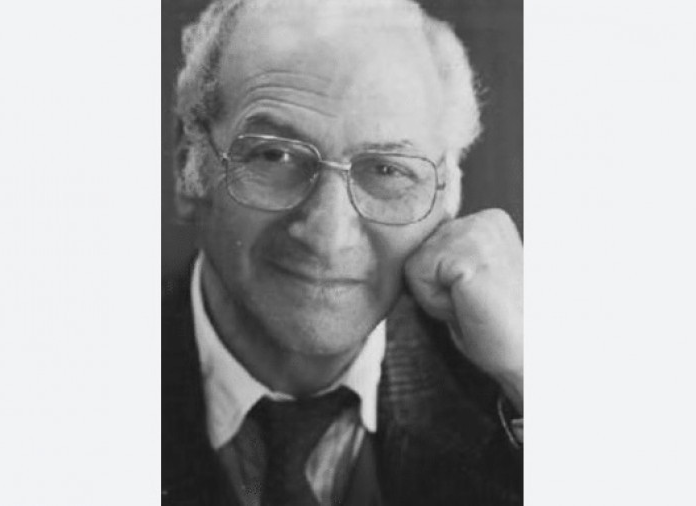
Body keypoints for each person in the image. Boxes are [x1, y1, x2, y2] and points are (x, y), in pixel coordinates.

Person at [163, 0, 523, 504]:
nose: (327, 236)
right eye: (274, 155)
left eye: (387, 170)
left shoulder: (505, 397)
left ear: (448, 199)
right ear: (189, 168)